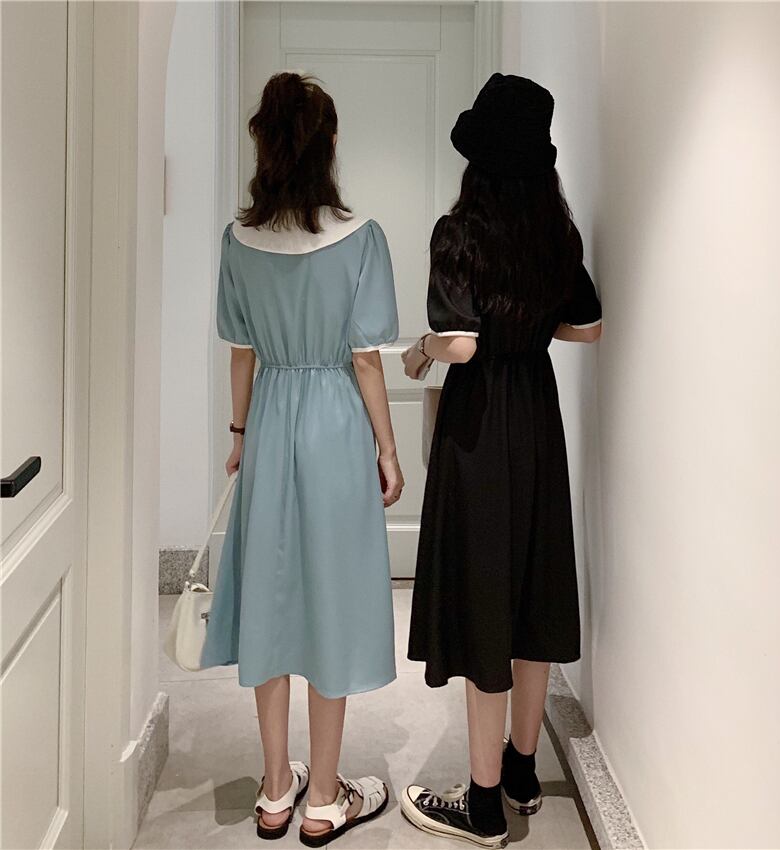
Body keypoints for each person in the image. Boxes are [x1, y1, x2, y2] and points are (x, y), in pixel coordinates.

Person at [399, 73, 603, 848]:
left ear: (478, 160)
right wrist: (534, 327)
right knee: (530, 594)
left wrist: (421, 348)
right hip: (537, 420)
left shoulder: (459, 234)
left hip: (482, 425)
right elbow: (589, 327)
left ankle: (481, 805)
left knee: (486, 602)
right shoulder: (556, 233)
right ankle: (521, 771)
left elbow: (460, 345)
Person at [199, 71, 402, 845]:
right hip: (336, 427)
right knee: (331, 602)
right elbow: (367, 358)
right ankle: (325, 796)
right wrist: (388, 450)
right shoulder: (362, 238)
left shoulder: (238, 240)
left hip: (273, 417)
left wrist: (240, 434)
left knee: (272, 600)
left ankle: (276, 790)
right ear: (329, 143)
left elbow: (242, 353)